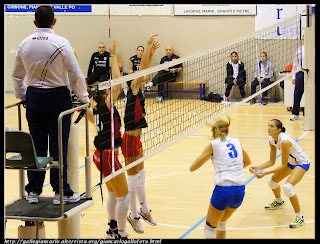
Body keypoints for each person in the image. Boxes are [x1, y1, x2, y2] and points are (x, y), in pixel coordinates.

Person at [11, 5, 90, 204]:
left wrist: (22, 96)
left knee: (37, 145)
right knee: (58, 146)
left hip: (34, 99)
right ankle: (60, 192)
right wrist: (84, 98)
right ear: (54, 21)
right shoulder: (62, 44)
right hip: (57, 99)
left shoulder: (24, 44)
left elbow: (16, 76)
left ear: (35, 22)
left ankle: (34, 191)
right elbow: (75, 75)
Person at [87, 40, 129, 240]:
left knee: (112, 193)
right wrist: (112, 56)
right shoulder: (108, 108)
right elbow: (119, 82)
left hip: (100, 156)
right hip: (108, 157)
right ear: (105, 96)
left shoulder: (92, 111)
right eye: (108, 91)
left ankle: (112, 229)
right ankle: (121, 233)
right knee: (124, 196)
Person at [190, 115, 251, 239]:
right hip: (240, 190)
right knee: (222, 223)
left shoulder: (214, 144)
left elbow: (194, 167)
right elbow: (247, 162)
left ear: (214, 130)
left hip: (224, 190)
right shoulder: (236, 141)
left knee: (209, 228)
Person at [122, 34, 159, 234]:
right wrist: (147, 45)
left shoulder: (140, 89)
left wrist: (151, 54)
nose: (142, 80)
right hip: (128, 140)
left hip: (138, 138)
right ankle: (133, 215)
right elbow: (142, 71)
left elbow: (146, 71)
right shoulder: (132, 88)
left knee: (142, 175)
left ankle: (144, 210)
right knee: (133, 178)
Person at [249, 119, 310, 228]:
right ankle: (279, 201)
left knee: (288, 188)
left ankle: (299, 218)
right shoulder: (271, 140)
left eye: (271, 126)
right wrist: (258, 167)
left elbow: (283, 165)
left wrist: (265, 172)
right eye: (268, 125)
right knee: (272, 182)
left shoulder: (285, 141)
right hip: (291, 162)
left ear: (278, 130)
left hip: (302, 163)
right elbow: (271, 161)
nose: (268, 128)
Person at [290, 36, 305, 121]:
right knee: (297, 94)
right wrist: (293, 76)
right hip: (300, 73)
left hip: (311, 74)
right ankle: (295, 113)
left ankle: (308, 113)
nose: (304, 40)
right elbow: (295, 64)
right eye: (303, 39)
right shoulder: (299, 50)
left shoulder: (313, 49)